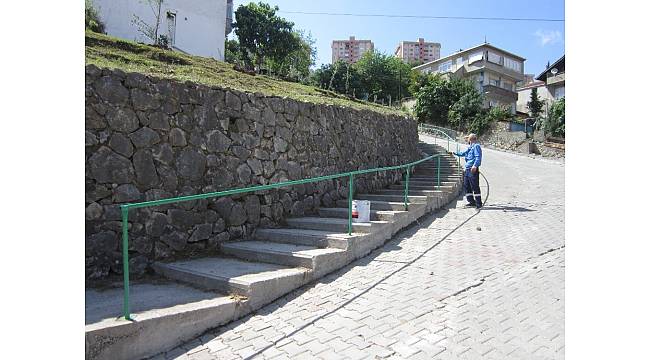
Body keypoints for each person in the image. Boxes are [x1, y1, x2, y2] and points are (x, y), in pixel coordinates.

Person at [451, 133, 483, 208]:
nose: (467, 140)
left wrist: (475, 166)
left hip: (472, 169)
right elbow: (463, 153)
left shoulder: (476, 146)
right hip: (467, 169)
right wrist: (454, 153)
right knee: (466, 186)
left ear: (471, 139)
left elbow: (478, 157)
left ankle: (479, 203)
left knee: (475, 186)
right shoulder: (470, 147)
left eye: (468, 138)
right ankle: (471, 201)